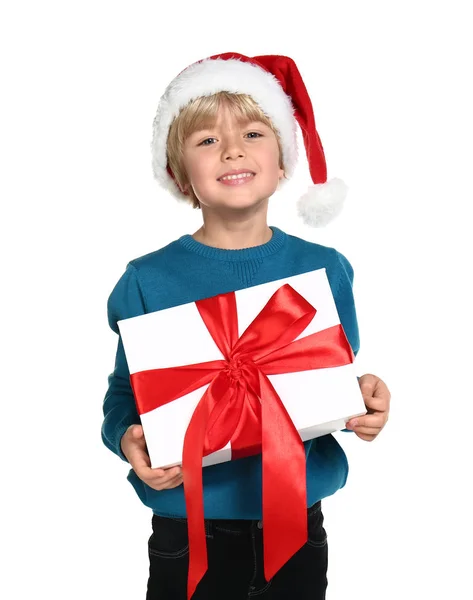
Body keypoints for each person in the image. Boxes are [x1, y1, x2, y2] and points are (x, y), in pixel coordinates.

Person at [101, 53, 391, 600]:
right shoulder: (146, 280)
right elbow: (124, 394)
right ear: (180, 173)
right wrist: (127, 439)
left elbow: (332, 377)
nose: (232, 149)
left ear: (282, 162)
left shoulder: (325, 269)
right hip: (189, 530)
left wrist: (366, 401)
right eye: (206, 140)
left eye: (254, 133)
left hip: (300, 524)